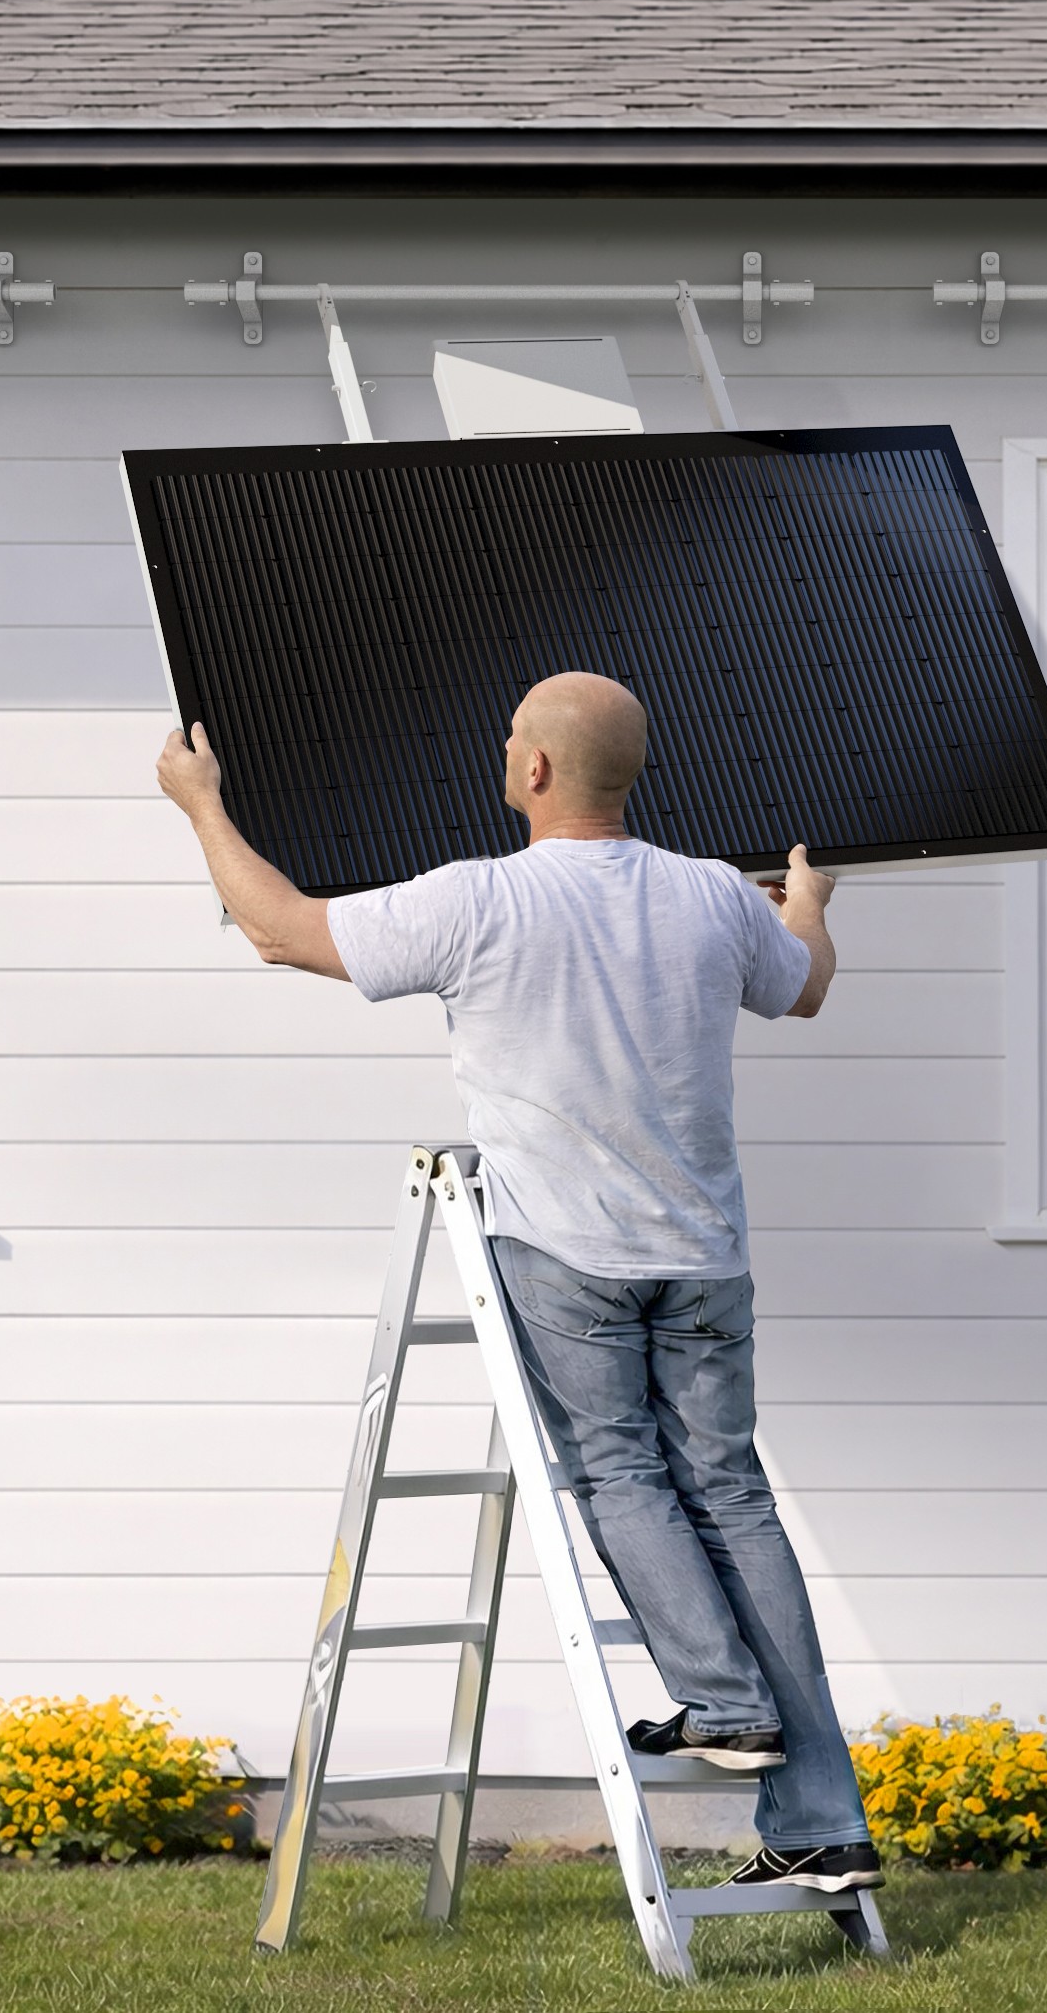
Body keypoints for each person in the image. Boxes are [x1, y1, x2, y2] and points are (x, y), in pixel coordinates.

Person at [157, 671, 882, 1894]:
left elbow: (283, 930)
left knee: (620, 1471)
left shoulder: (480, 901)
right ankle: (820, 1815)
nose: (502, 751)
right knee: (734, 1499)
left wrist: (198, 804)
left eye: (509, 740)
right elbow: (803, 982)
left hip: (571, 1255)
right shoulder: (713, 895)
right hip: (706, 1259)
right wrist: (808, 904)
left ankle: (720, 1698)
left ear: (536, 770)